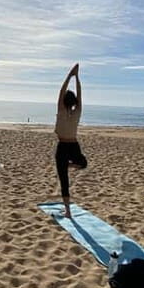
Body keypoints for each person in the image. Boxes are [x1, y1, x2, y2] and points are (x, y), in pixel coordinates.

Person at [55, 63, 87, 218]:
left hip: (64, 146)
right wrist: (77, 78)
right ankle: (71, 165)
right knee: (82, 164)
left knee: (64, 179)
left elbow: (61, 91)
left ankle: (67, 211)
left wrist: (70, 75)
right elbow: (80, 95)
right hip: (73, 146)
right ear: (74, 102)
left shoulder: (61, 110)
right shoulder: (77, 112)